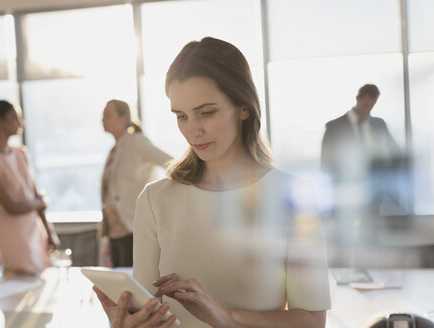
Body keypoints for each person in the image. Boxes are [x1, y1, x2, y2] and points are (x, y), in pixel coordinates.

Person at [93, 37, 331, 328]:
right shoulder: (155, 200)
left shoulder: (294, 198)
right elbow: (148, 313)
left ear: (243, 107)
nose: (194, 131)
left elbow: (311, 320)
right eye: (181, 116)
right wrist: (127, 324)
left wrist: (224, 316)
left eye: (206, 112)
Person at [0, 100, 59, 275]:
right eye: (14, 118)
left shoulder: (21, 153)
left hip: (36, 233)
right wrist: (39, 202)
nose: (20, 123)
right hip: (13, 237)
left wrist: (50, 233)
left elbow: (35, 195)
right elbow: (12, 206)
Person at [100, 99, 172, 267]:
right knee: (119, 283)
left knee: (133, 285)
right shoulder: (115, 150)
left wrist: (163, 203)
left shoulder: (136, 141)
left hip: (133, 227)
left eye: (107, 115)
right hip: (114, 231)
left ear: (124, 117)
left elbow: (172, 164)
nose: (102, 120)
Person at [321, 84, 399, 177]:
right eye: (366, 105)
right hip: (347, 184)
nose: (368, 110)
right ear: (358, 98)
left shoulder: (379, 124)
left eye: (372, 106)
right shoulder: (334, 127)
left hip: (378, 182)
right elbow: (326, 164)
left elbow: (396, 153)